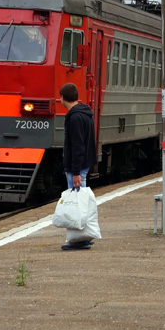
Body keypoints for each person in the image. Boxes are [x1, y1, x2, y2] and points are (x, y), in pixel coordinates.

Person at [60, 83, 96, 250]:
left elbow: (77, 146)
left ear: (62, 98)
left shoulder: (74, 117)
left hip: (77, 168)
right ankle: (84, 237)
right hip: (84, 165)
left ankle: (79, 240)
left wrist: (75, 172)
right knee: (81, 204)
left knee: (76, 205)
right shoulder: (85, 113)